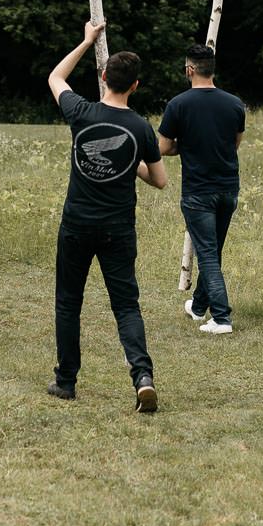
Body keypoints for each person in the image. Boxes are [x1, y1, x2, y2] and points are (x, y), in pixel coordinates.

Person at [46, 21, 166, 413]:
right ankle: (142, 377)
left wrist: (85, 41)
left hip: (77, 224)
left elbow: (56, 76)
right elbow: (160, 180)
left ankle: (66, 382)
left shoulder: (81, 111)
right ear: (135, 86)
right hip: (118, 229)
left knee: (68, 303)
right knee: (126, 305)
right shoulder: (140, 128)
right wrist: (131, 162)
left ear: (103, 78)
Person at [158, 43, 246, 335]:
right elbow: (235, 142)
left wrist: (188, 146)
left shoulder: (178, 105)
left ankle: (221, 318)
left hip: (198, 191)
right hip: (228, 188)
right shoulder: (234, 104)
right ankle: (197, 308)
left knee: (207, 253)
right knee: (213, 252)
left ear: (189, 70)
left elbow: (164, 147)